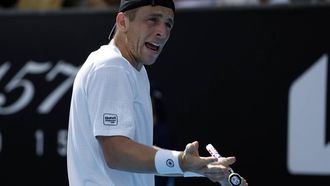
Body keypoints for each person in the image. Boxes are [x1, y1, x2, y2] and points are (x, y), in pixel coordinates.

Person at [67, 0, 249, 186]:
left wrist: (192, 167)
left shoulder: (131, 69)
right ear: (123, 22)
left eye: (168, 24)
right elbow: (116, 153)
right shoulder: (112, 66)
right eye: (152, 20)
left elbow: (132, 148)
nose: (162, 32)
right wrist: (180, 161)